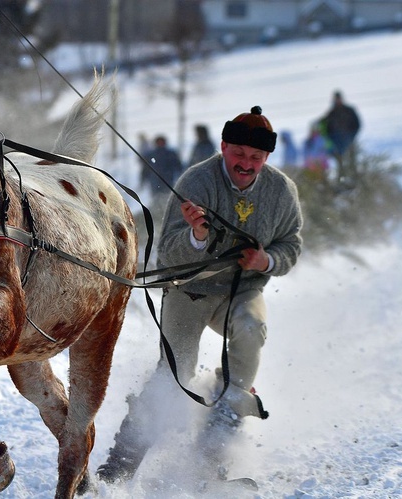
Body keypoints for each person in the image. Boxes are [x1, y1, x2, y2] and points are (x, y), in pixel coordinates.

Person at [98, 106, 303, 483]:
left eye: (256, 157)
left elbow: (291, 245)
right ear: (223, 146)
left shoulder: (281, 191)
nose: (246, 164)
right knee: (174, 376)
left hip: (242, 290)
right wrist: (198, 237)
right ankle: (118, 467)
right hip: (188, 289)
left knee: (251, 327)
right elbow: (169, 252)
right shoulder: (196, 180)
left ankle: (212, 453)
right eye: (238, 154)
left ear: (266, 157)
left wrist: (265, 260)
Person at [140, 134, 184, 220]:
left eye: (162, 142)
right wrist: (142, 180)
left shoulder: (171, 154)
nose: (160, 144)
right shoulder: (150, 155)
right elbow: (145, 169)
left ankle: (167, 216)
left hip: (167, 182)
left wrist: (181, 177)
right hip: (155, 183)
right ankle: (156, 217)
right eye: (159, 142)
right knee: (156, 201)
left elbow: (178, 166)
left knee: (167, 201)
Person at [320, 90, 361, 182]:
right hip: (337, 142)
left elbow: (357, 125)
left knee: (351, 161)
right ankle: (341, 180)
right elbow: (324, 125)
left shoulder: (349, 110)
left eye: (338, 99)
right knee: (339, 162)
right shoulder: (332, 113)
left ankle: (354, 179)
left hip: (349, 140)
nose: (337, 101)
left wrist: (351, 136)